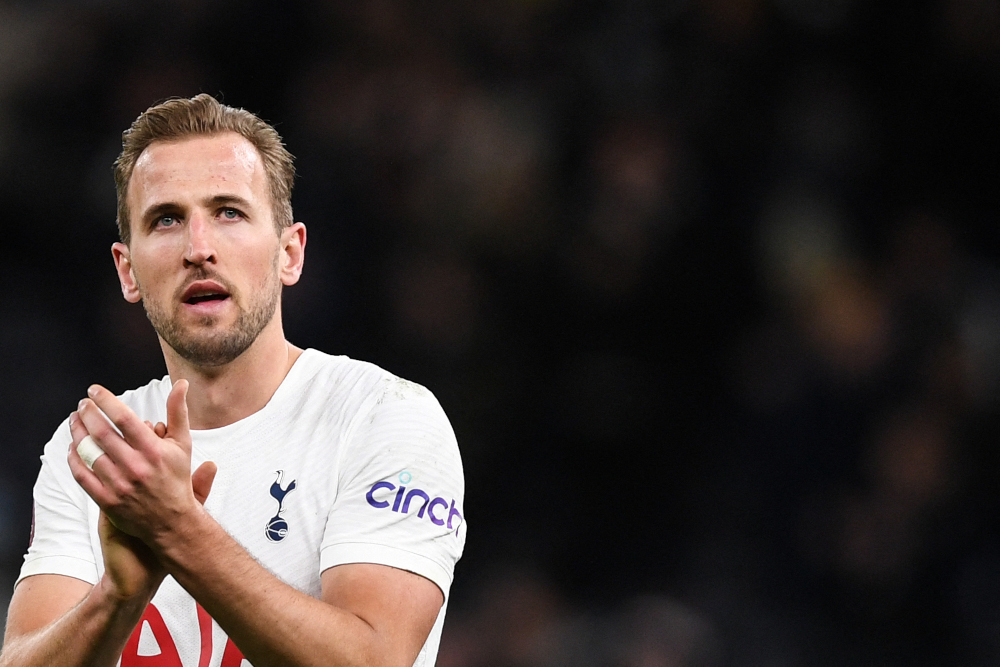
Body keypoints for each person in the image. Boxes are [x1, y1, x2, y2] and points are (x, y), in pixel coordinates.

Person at [0, 94, 466, 667]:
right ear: (128, 270)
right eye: (166, 219)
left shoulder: (385, 417)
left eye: (229, 212)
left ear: (289, 254)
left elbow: (375, 658)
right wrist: (117, 597)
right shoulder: (95, 450)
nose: (199, 249)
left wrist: (176, 531)